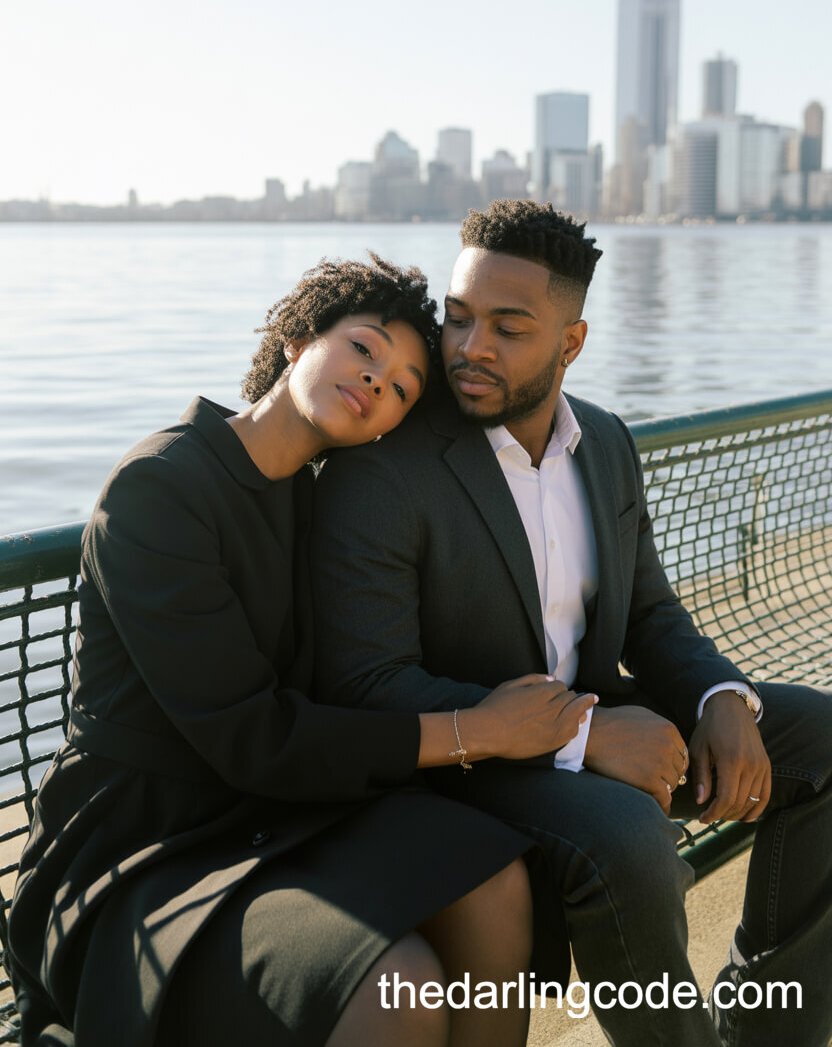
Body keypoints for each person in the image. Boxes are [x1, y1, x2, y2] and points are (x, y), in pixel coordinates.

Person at [8, 252, 598, 1047]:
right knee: (400, 988)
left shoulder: (320, 500)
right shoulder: (161, 488)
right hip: (140, 853)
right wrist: (477, 730)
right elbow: (253, 737)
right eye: (364, 349)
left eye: (401, 389)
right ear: (298, 339)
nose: (376, 383)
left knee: (493, 878)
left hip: (273, 819)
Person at [312, 205, 832, 1047]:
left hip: (595, 724)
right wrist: (583, 737)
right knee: (630, 839)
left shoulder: (608, 443)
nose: (469, 347)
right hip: (463, 766)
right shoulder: (383, 467)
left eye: (508, 327)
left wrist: (720, 698)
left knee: (818, 736)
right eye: (458, 316)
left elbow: (653, 613)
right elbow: (366, 682)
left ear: (572, 342)